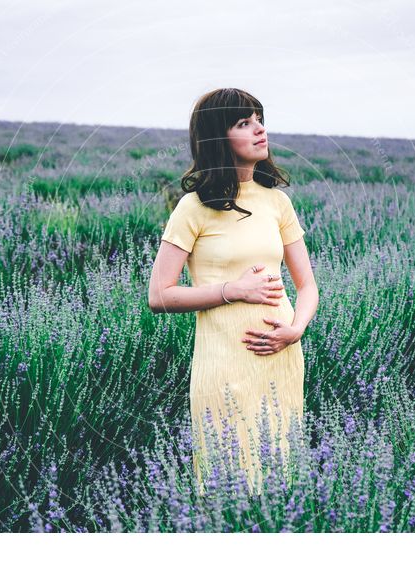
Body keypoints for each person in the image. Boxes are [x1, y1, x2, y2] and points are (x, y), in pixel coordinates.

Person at [148, 88, 319, 497]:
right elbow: (159, 294)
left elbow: (307, 285)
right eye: (244, 123)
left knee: (281, 480)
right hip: (224, 363)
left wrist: (295, 329)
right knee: (226, 482)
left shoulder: (277, 202)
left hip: (281, 359)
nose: (259, 129)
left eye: (259, 118)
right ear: (217, 138)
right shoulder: (194, 207)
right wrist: (233, 290)